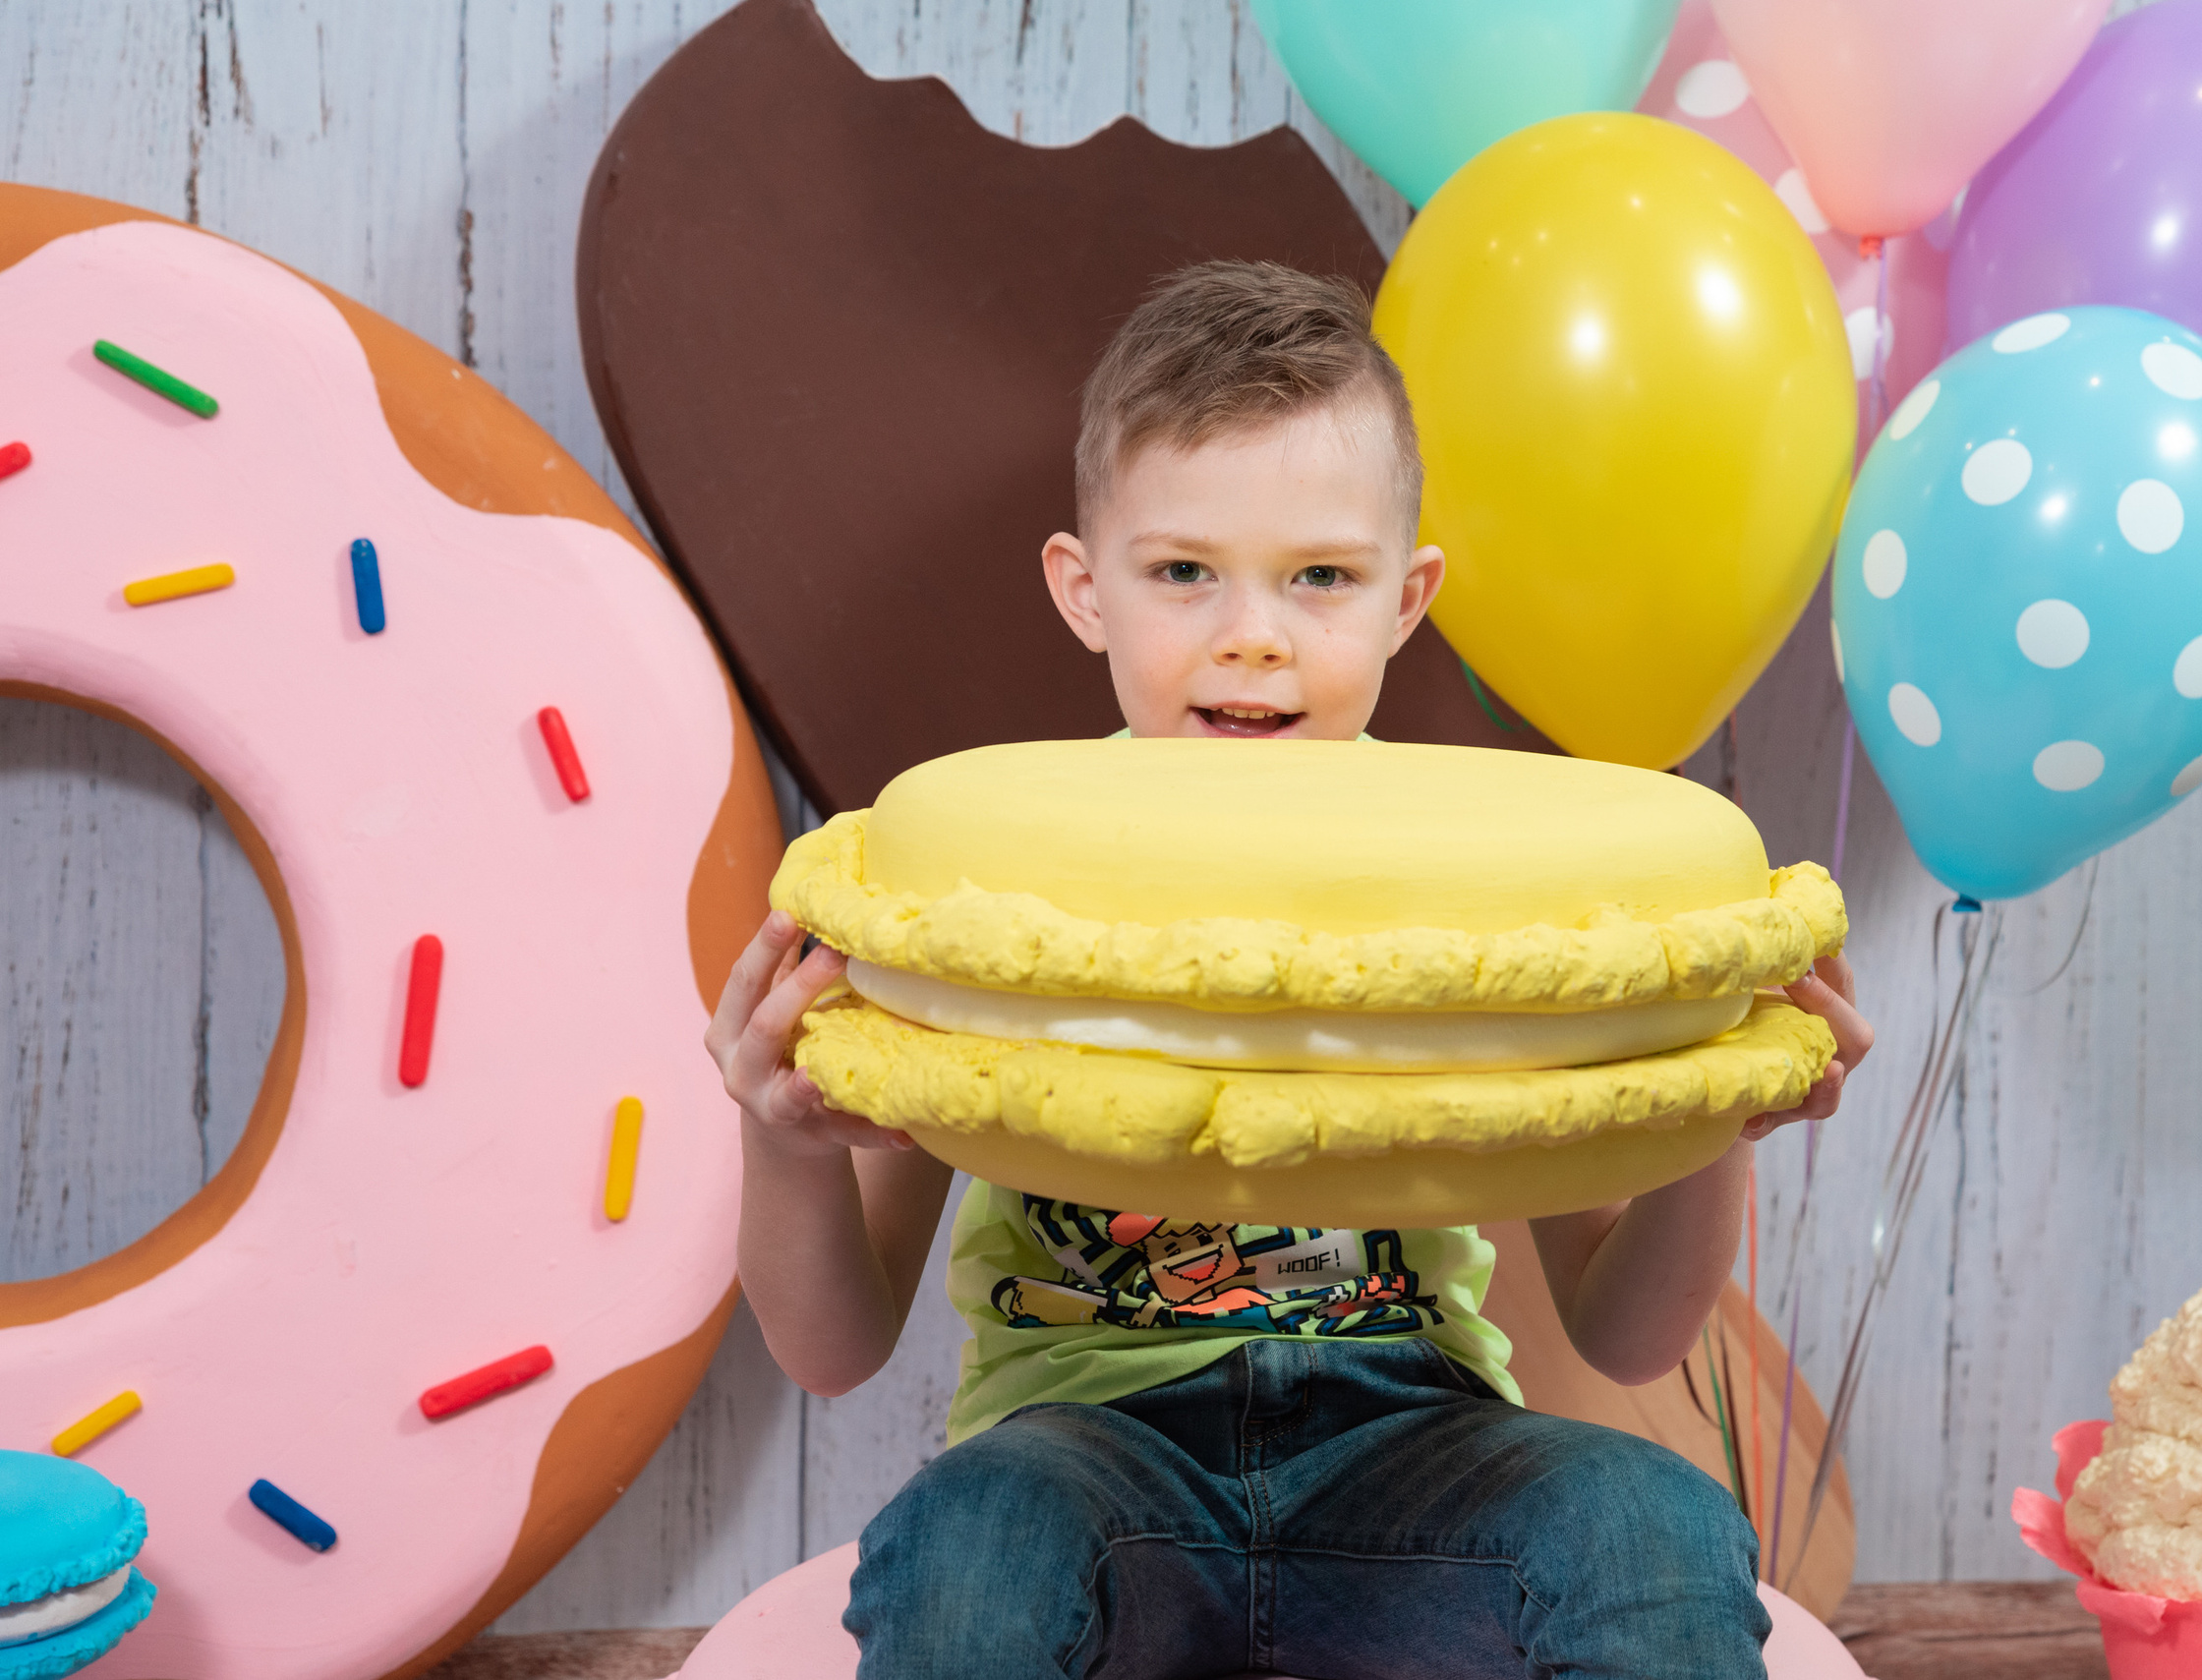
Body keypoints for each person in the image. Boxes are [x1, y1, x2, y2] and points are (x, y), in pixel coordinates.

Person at [708, 261, 1874, 1679]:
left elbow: (1625, 1332)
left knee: (1654, 1528)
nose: (1252, 631)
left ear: (1406, 597)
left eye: (1320, 576)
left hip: (1419, 1441)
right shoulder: (991, 874)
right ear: (1086, 590)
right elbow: (834, 1342)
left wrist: (1713, 1102)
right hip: (1087, 1456)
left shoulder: (1487, 877)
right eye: (1184, 571)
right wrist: (781, 1135)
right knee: (966, 1545)